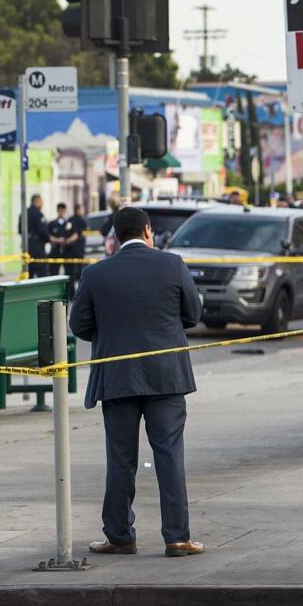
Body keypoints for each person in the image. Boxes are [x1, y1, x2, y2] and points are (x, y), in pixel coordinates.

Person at [69, 207, 206, 558]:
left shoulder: (96, 273)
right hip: (167, 378)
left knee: (120, 459)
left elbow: (79, 326)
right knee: (169, 456)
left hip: (117, 379)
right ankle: (177, 538)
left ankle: (119, 535)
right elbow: (192, 314)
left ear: (114, 235)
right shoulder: (172, 264)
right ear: (148, 231)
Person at [19, 194, 48, 278]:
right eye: (41, 201)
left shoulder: (23, 213)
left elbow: (20, 231)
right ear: (37, 201)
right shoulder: (38, 214)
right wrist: (49, 239)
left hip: (26, 247)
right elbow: (43, 232)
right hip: (37, 247)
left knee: (28, 272)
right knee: (42, 272)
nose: (42, 204)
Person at [68, 204, 88, 283]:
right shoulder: (80, 220)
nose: (83, 211)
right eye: (82, 209)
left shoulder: (70, 219)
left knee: (71, 269)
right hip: (78, 247)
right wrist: (69, 240)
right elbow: (77, 233)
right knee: (79, 268)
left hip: (70, 248)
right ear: (78, 210)